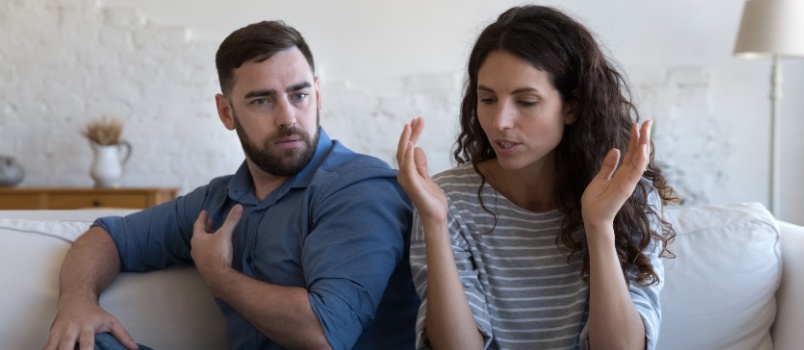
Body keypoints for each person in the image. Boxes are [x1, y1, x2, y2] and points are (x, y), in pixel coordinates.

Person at [45, 20, 419, 350]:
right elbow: (107, 237)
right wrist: (77, 302)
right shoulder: (218, 201)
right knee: (81, 342)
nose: (288, 117)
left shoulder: (359, 188)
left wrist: (220, 277)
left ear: (318, 95)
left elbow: (325, 333)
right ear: (227, 112)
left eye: (299, 95)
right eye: (262, 101)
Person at [396, 5, 676, 350]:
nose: (500, 122)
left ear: (571, 107)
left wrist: (599, 225)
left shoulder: (627, 195)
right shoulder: (444, 199)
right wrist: (435, 222)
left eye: (526, 102)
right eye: (488, 99)